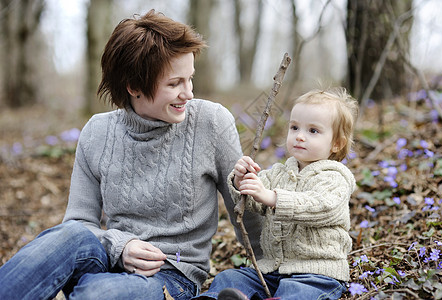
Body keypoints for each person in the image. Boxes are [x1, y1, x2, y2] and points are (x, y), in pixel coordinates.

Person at [0, 9, 262, 300]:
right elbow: (80, 224)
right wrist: (120, 246)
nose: (188, 93)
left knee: (97, 294)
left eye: (190, 79)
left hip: (171, 273)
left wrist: (280, 270)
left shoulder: (211, 122)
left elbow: (246, 220)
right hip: (107, 258)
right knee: (68, 236)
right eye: (174, 83)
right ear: (134, 86)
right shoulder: (96, 132)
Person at [194, 87, 359, 300]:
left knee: (297, 293)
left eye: (313, 131)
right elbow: (252, 201)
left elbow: (322, 206)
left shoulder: (335, 177)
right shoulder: (279, 173)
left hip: (316, 274)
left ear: (337, 143)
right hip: (271, 272)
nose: (300, 136)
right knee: (230, 279)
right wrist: (241, 180)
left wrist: (273, 198)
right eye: (295, 127)